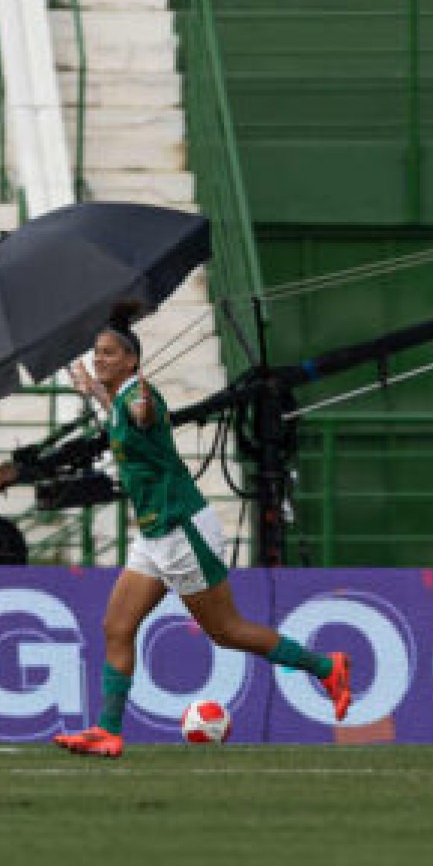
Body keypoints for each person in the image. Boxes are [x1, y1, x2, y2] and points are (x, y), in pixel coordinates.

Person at [51, 307, 351, 757]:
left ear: (132, 361)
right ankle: (107, 731)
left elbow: (143, 412)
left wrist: (133, 401)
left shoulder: (141, 396)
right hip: (155, 534)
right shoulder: (120, 399)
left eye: (110, 353)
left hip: (181, 530)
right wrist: (96, 391)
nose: (100, 359)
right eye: (97, 353)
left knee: (226, 631)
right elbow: (127, 416)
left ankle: (326, 666)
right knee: (117, 625)